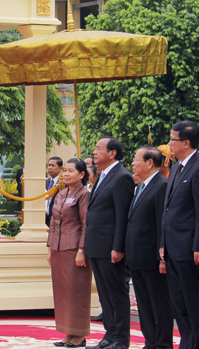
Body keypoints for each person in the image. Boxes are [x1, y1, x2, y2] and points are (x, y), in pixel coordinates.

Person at [161, 121, 199, 349]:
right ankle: (187, 343)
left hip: (190, 248)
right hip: (172, 247)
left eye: (173, 139)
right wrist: (163, 243)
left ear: (186, 142)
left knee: (195, 302)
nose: (169, 144)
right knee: (179, 302)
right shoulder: (176, 168)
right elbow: (168, 209)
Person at [86, 137, 134, 349]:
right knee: (105, 295)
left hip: (110, 247)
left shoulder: (121, 176)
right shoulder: (103, 175)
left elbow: (122, 215)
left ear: (112, 153)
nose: (94, 152)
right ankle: (110, 335)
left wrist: (118, 247)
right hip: (97, 245)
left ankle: (121, 339)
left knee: (116, 293)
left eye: (99, 149)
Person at [126, 147, 172, 349]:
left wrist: (162, 257)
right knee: (144, 305)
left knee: (159, 304)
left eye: (136, 160)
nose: (133, 164)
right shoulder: (141, 186)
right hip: (137, 257)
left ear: (150, 163)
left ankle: (161, 344)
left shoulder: (161, 186)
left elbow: (162, 223)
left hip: (152, 259)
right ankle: (150, 341)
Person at [47, 158, 91, 348]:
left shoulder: (84, 194)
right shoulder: (61, 193)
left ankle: (79, 335)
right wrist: (50, 249)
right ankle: (69, 332)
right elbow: (53, 222)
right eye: (64, 170)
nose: (66, 174)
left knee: (76, 292)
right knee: (63, 292)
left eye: (70, 171)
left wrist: (82, 250)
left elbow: (86, 224)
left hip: (74, 248)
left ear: (81, 174)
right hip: (58, 247)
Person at [46, 156, 63, 227]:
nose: (50, 167)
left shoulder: (63, 183)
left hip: (57, 218)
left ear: (60, 168)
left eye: (53, 165)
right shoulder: (46, 182)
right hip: (45, 218)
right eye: (49, 165)